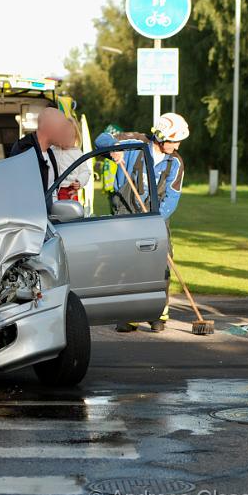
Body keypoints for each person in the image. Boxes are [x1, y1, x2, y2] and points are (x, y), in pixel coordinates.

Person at [95, 112, 190, 333]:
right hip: (126, 214)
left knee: (161, 266)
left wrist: (155, 220)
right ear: (161, 135)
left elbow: (173, 197)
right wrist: (114, 149)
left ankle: (157, 314)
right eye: (174, 140)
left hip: (156, 219)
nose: (176, 145)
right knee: (127, 264)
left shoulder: (176, 162)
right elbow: (102, 138)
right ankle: (129, 315)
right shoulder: (134, 143)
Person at [9, 107, 66, 193]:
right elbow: (23, 194)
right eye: (62, 128)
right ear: (50, 127)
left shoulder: (49, 152)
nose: (64, 133)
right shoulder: (25, 152)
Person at [52, 117, 91, 201]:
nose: (68, 140)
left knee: (68, 212)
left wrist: (79, 182)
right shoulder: (53, 150)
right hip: (52, 189)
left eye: (71, 137)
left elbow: (85, 171)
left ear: (76, 137)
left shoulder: (77, 153)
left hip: (69, 190)